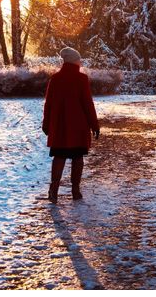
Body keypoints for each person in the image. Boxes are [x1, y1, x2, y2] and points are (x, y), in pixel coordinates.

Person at [42, 47, 100, 204]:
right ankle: (75, 191)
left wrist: (46, 124)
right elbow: (88, 104)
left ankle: (53, 190)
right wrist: (94, 125)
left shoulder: (55, 79)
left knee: (59, 156)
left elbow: (49, 104)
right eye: (78, 60)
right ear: (74, 61)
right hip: (78, 126)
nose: (80, 62)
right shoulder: (81, 79)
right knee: (77, 158)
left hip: (59, 126)